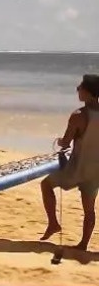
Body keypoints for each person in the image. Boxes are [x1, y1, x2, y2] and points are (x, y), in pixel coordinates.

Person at [40, 74, 99, 252]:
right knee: (89, 209)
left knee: (46, 185)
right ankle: (83, 244)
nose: (77, 91)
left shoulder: (79, 115)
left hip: (77, 168)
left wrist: (59, 141)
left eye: (79, 88)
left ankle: (53, 224)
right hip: (96, 170)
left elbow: (66, 143)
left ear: (87, 92)